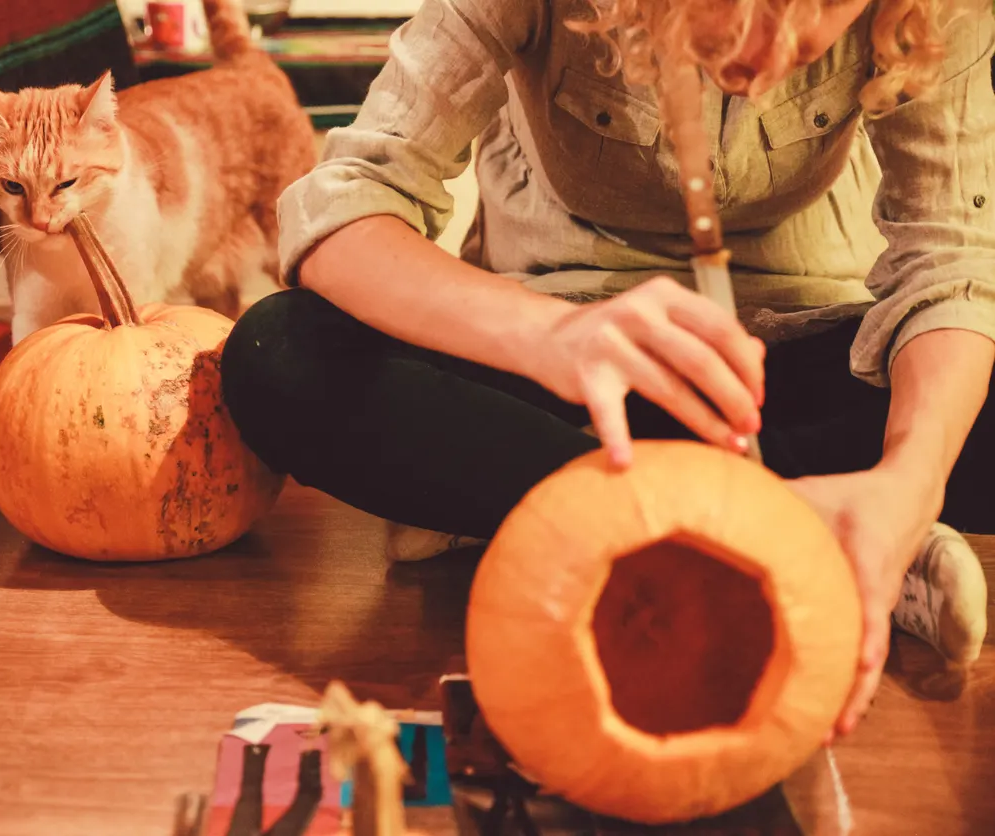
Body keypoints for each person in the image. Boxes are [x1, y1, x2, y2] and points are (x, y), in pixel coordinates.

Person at [219, 0, 995, 741]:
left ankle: (575, 513)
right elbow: (343, 209)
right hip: (572, 372)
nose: (761, 59)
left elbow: (953, 260)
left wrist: (910, 478)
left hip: (791, 350)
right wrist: (557, 335)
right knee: (279, 356)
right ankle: (803, 531)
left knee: (962, 381)